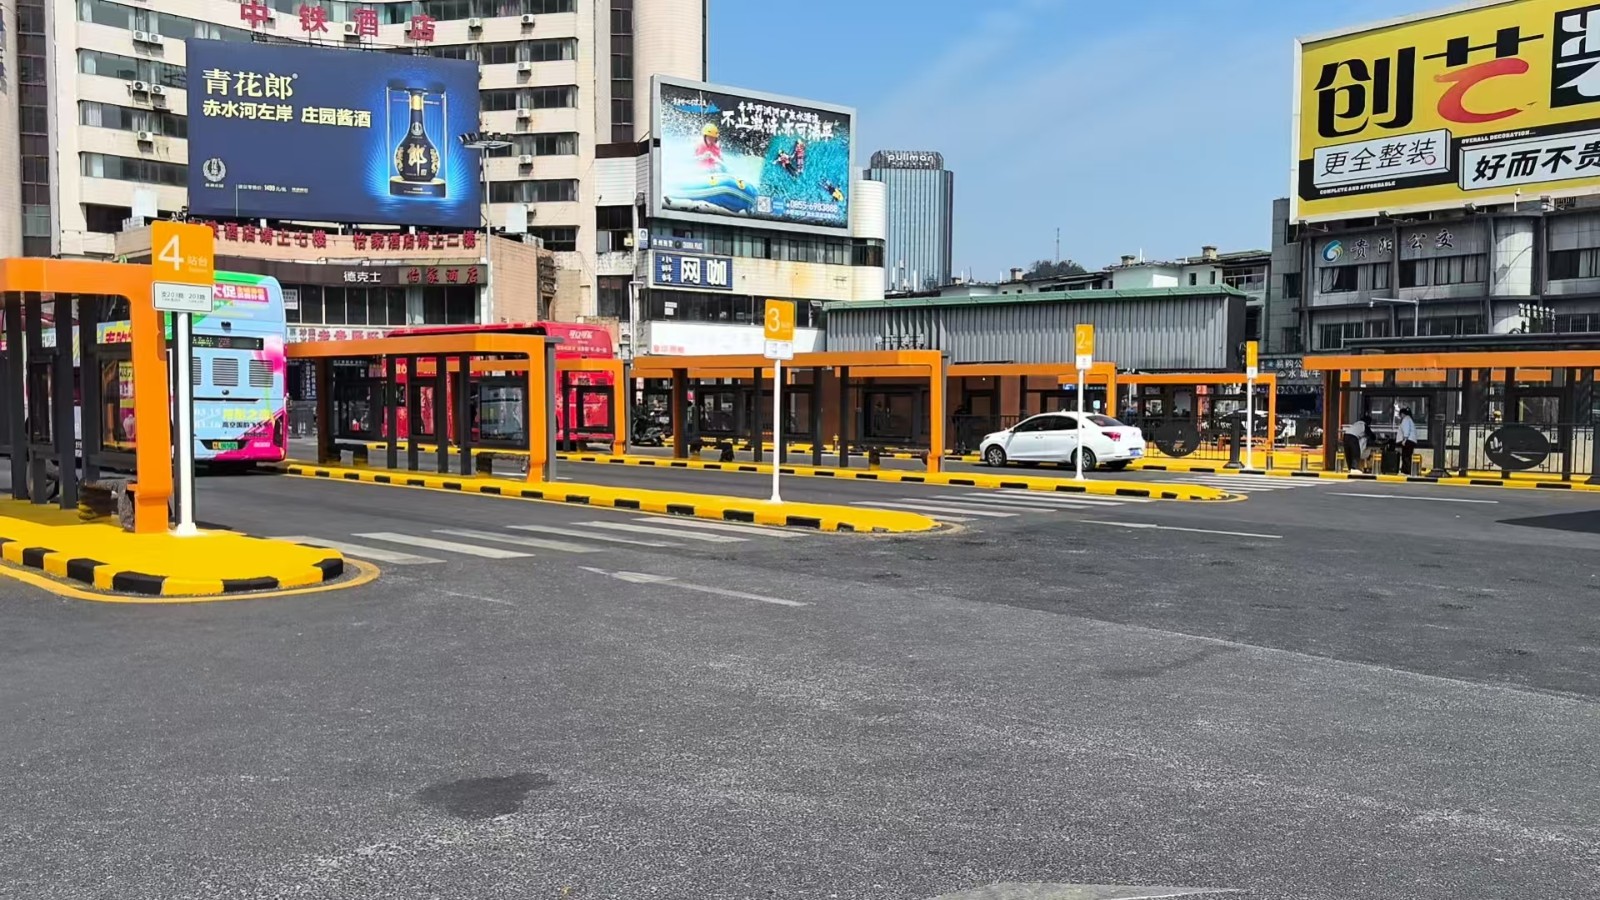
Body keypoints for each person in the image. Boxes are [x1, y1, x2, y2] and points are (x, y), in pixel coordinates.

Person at [1396, 407, 1417, 473]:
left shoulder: (1406, 420)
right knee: (1407, 456)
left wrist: (1404, 440)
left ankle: (1407, 471)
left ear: (1402, 414)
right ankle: (1406, 470)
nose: (1400, 417)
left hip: (1408, 440)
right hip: (1411, 440)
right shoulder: (1409, 419)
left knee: (1405, 456)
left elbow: (1406, 430)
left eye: (1400, 415)